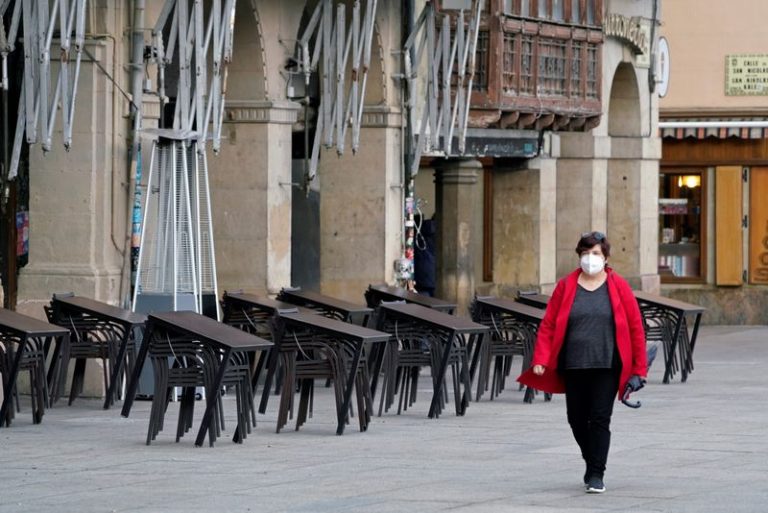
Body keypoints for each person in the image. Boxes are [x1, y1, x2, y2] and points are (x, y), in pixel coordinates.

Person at [517, 231, 647, 494]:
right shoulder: (566, 286)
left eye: (596, 253)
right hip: (574, 364)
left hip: (607, 364)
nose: (590, 259)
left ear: (606, 257)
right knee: (576, 419)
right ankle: (591, 459)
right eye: (586, 253)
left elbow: (635, 327)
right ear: (579, 256)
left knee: (599, 418)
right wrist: (540, 358)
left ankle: (597, 472)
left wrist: (639, 369)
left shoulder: (619, 286)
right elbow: (549, 324)